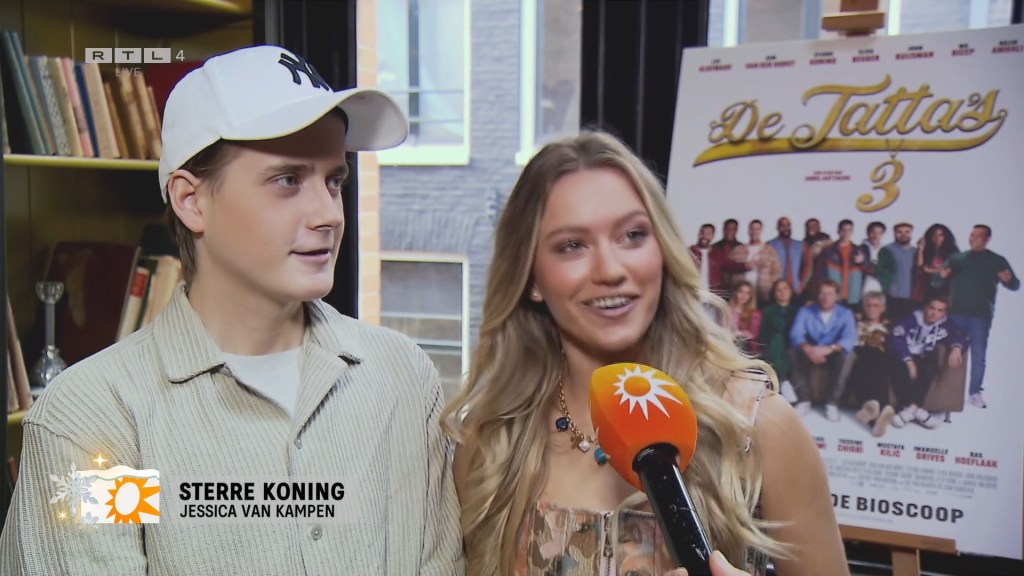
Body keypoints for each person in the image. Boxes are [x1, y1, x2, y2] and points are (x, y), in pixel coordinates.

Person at [0, 45, 464, 575]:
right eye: (288, 180)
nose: (329, 214)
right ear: (191, 200)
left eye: (334, 181)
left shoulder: (403, 379)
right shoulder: (97, 422)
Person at [443, 131, 848, 576]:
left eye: (633, 235)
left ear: (662, 250)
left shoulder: (756, 429)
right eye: (572, 245)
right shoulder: (491, 445)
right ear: (532, 278)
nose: (610, 270)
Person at [939, 224, 1020, 408]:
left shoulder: (997, 260)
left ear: (987, 239)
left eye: (977, 236)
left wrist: (1009, 280)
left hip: (980, 316)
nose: (972, 238)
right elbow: (937, 282)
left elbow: (1015, 285)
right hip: (956, 314)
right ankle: (945, 390)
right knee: (949, 350)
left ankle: (974, 393)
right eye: (971, 235)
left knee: (978, 354)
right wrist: (941, 276)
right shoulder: (957, 258)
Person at [889, 298, 966, 429]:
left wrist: (957, 347)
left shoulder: (944, 325)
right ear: (925, 307)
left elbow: (959, 336)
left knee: (929, 367)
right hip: (902, 355)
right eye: (932, 308)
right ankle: (917, 411)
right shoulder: (910, 319)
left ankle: (911, 409)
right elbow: (895, 338)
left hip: (922, 356)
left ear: (944, 313)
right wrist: (908, 361)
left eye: (939, 310)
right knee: (901, 369)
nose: (934, 313)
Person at [789, 280, 857, 422]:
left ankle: (832, 403)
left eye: (830, 294)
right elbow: (796, 333)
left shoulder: (845, 313)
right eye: (822, 293)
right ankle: (804, 400)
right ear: (817, 295)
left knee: (849, 356)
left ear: (836, 296)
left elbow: (849, 338)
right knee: (792, 352)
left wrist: (829, 349)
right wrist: (809, 349)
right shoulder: (806, 311)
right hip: (811, 349)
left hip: (832, 350)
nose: (826, 298)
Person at [840, 292, 898, 437]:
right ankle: (882, 411)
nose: (872, 309)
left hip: (882, 359)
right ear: (863, 307)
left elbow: (895, 346)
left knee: (878, 360)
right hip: (860, 356)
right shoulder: (855, 323)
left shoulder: (890, 326)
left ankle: (871, 410)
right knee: (865, 359)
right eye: (868, 305)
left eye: (876, 306)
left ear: (883, 308)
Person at [759, 280, 799, 404]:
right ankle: (784, 381)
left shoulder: (798, 311)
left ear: (790, 292)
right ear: (774, 293)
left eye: (785, 288)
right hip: (772, 344)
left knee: (780, 339)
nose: (782, 292)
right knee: (777, 338)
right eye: (778, 290)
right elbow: (763, 333)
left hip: (792, 344)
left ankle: (782, 382)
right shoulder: (768, 311)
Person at [728, 219, 781, 308]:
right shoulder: (738, 251)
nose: (754, 232)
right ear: (748, 231)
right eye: (752, 229)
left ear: (761, 231)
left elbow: (777, 271)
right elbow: (728, 270)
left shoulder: (770, 251)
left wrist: (769, 285)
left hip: (763, 295)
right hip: (740, 297)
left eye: (757, 229)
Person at [819, 219, 868, 306]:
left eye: (849, 230)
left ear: (852, 232)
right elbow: (821, 274)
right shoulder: (828, 250)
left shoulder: (859, 250)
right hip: (833, 297)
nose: (846, 233)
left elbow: (869, 271)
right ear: (838, 231)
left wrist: (863, 262)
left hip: (853, 297)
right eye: (843, 230)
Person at [880, 222, 918, 321]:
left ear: (912, 233)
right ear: (894, 233)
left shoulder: (916, 252)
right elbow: (881, 273)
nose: (903, 235)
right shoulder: (887, 250)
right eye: (899, 232)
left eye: (907, 232)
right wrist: (888, 289)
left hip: (912, 296)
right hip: (894, 296)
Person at [915, 224, 959, 303]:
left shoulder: (953, 253)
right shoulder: (926, 252)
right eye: (934, 235)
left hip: (946, 290)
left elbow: (950, 271)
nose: (937, 238)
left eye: (940, 235)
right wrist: (920, 250)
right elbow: (920, 268)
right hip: (927, 289)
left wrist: (930, 270)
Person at [767, 217, 804, 299]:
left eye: (788, 225)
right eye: (782, 226)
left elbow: (807, 265)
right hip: (776, 288)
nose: (785, 228)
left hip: (796, 287)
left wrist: (802, 283)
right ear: (777, 228)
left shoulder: (801, 245)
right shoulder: (770, 244)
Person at [729, 280, 762, 355]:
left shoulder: (755, 313)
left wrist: (738, 334)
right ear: (735, 292)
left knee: (740, 341)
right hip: (728, 342)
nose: (743, 296)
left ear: (750, 296)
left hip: (745, 345)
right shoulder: (726, 310)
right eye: (741, 291)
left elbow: (753, 334)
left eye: (747, 293)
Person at [690, 223, 717, 291]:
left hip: (711, 293)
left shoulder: (717, 254)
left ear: (712, 236)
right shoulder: (690, 252)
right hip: (693, 291)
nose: (704, 236)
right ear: (698, 234)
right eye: (702, 233)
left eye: (708, 234)